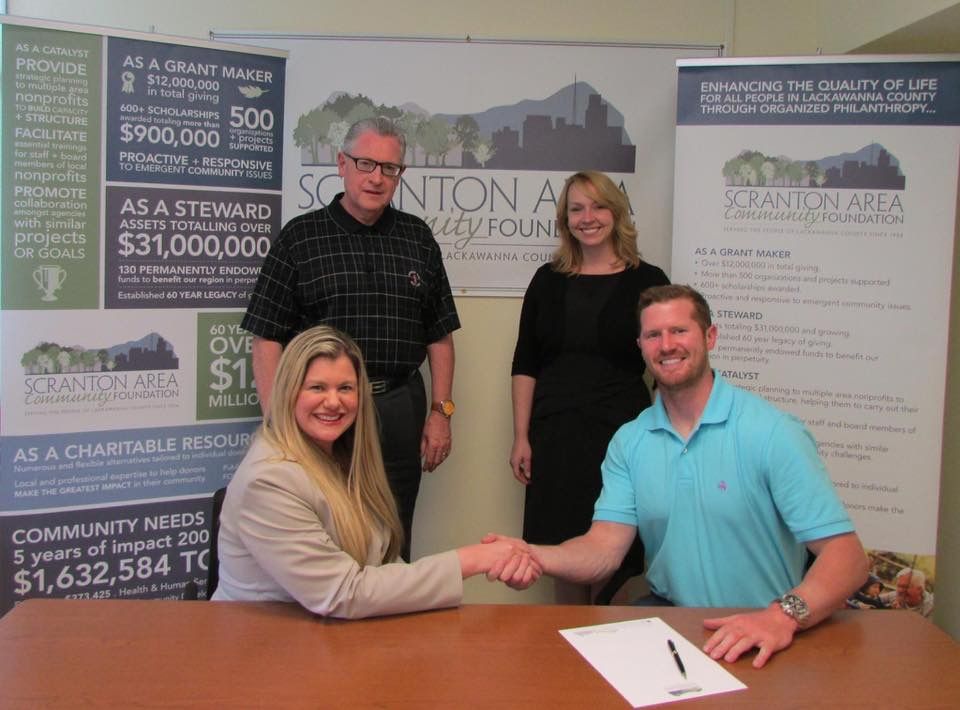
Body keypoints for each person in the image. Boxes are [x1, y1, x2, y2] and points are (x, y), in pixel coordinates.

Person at [493, 284, 868, 668]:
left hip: (761, 628)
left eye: (679, 331)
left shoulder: (772, 433)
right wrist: (535, 554)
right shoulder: (630, 441)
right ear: (640, 346)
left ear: (710, 336)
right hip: (672, 629)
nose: (666, 345)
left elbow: (849, 559)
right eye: (653, 335)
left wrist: (781, 616)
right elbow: (603, 549)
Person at [242, 117, 460, 560]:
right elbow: (265, 338)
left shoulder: (417, 237)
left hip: (400, 405)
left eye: (390, 168)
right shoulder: (299, 238)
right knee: (327, 530)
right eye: (365, 163)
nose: (377, 177)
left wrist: (442, 412)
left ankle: (391, 622)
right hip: (327, 410)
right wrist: (277, 421)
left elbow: (439, 335)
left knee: (395, 531)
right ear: (342, 164)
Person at [212, 325, 537, 618]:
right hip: (262, 654)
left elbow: (381, 561)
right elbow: (342, 592)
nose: (333, 402)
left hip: (330, 639)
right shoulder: (269, 480)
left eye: (345, 388)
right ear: (288, 392)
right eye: (317, 388)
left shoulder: (344, 455)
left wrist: (502, 559)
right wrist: (473, 560)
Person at [509, 170, 668, 603]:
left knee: (615, 555)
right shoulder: (547, 279)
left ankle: (605, 652)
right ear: (565, 220)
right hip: (556, 435)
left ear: (616, 213)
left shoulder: (648, 280)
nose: (588, 217)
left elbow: (664, 363)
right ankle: (569, 659)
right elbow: (526, 362)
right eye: (576, 209)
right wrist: (521, 436)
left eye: (598, 206)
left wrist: (661, 437)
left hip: (622, 434)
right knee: (564, 552)